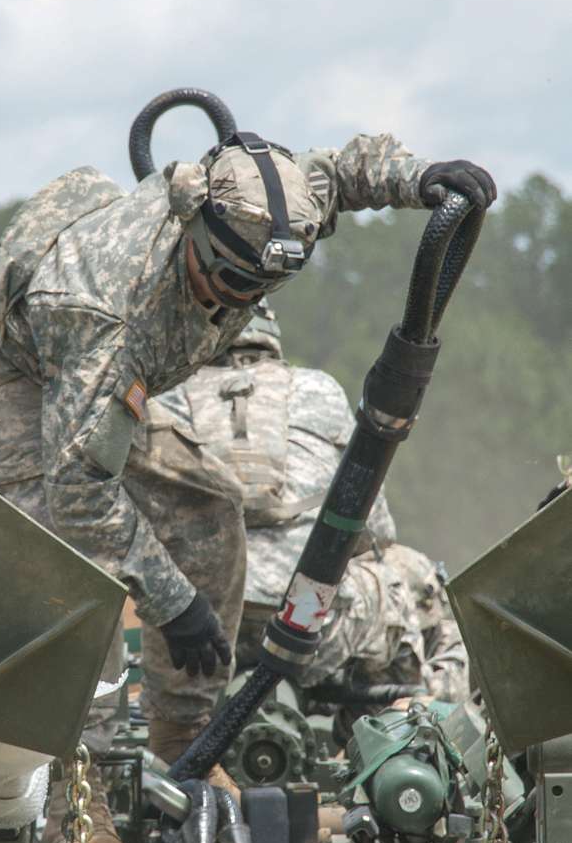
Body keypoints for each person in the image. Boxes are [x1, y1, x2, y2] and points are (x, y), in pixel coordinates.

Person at [0, 132, 493, 843]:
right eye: (226, 280)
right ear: (193, 229)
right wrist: (172, 606)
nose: (238, 302)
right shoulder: (101, 312)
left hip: (104, 373)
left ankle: (188, 735)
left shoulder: (267, 218)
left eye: (257, 290)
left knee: (209, 515)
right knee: (71, 571)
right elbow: (79, 497)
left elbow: (337, 173)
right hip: (8, 367)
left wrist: (420, 177)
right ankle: (77, 797)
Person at [139, 306, 470, 752]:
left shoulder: (162, 395)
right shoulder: (319, 390)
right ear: (271, 336)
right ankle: (390, 741)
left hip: (196, 632)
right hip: (311, 625)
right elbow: (375, 532)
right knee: (418, 579)